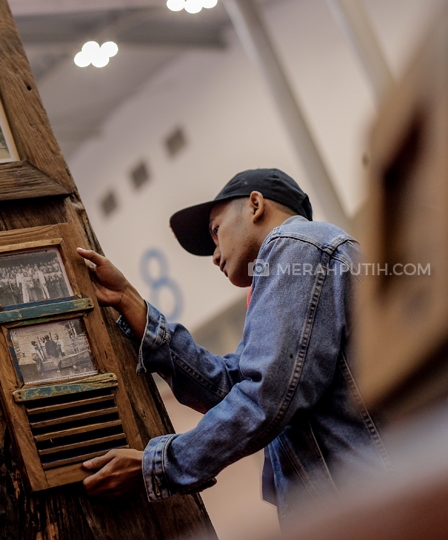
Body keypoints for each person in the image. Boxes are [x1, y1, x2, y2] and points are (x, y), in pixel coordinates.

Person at [78, 169, 390, 524]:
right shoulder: (305, 266)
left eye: (215, 231)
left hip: (378, 513)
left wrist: (159, 463)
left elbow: (263, 396)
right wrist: (131, 302)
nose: (213, 256)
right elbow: (233, 388)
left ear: (256, 205)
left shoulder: (296, 243)